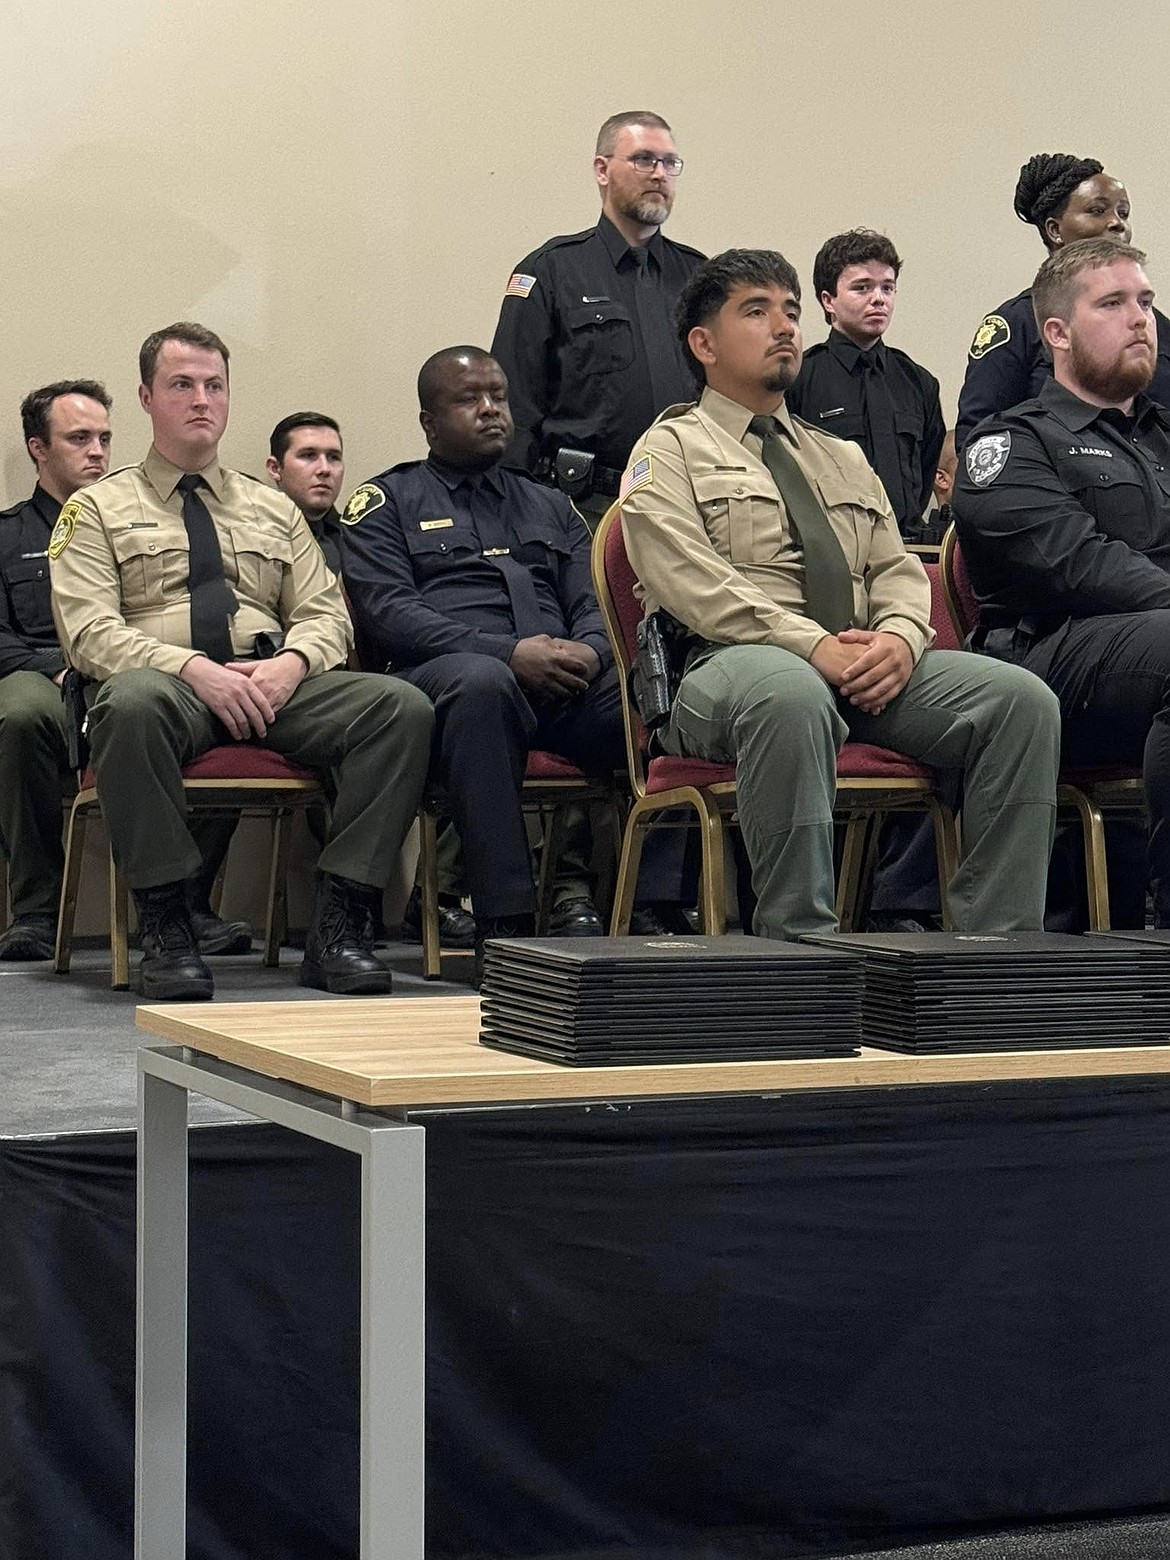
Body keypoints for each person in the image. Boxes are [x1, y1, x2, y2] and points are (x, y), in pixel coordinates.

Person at [619, 249, 1060, 942]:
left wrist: (900, 641)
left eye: (791, 312)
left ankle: (994, 948)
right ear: (703, 344)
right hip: (720, 666)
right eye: (756, 312)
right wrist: (812, 646)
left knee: (1020, 702)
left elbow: (897, 569)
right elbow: (691, 583)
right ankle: (802, 946)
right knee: (789, 692)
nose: (784, 327)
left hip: (854, 666)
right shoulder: (667, 449)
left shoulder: (839, 455)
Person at [48, 322, 433, 1000]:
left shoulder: (272, 508)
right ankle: (168, 926)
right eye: (181, 385)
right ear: (146, 398)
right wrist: (192, 668)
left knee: (399, 707)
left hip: (270, 687)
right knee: (128, 702)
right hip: (169, 690)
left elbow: (326, 614)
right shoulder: (97, 508)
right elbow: (89, 633)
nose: (202, 400)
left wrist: (293, 663)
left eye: (214, 385)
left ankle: (339, 923)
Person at [342, 346, 649, 968]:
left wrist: (593, 651)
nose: (490, 410)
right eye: (469, 400)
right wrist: (507, 653)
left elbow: (593, 599)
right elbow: (390, 613)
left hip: (563, 684)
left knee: (656, 697)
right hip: (447, 684)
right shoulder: (387, 502)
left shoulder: (548, 503)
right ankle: (504, 925)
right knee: (483, 684)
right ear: (429, 422)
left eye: (499, 397)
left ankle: (658, 905)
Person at [953, 236, 1170, 925]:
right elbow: (1082, 563)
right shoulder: (1009, 443)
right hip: (1048, 662)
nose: (1140, 319)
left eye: (1146, 302)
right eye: (1112, 304)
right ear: (1057, 333)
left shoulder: (1163, 437)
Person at [490, 109, 704, 528]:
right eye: (643, 159)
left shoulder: (698, 277)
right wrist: (517, 513)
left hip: (688, 503)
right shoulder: (552, 271)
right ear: (602, 170)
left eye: (669, 163)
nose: (659, 174)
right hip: (585, 507)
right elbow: (515, 405)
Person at [0, 381, 112, 960]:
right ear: (38, 448)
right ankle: (36, 911)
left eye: (104, 439)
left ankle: (186, 907)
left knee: (208, 702)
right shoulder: (6, 535)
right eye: (79, 438)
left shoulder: (140, 529)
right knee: (21, 713)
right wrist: (57, 669)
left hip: (123, 672)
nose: (97, 451)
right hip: (42, 677)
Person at [956, 152, 1170, 448]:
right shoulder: (1017, 322)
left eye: (1123, 213)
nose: (1117, 223)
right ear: (1055, 230)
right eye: (1097, 210)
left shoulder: (1153, 323)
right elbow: (979, 438)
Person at [786, 229, 944, 536]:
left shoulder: (919, 382)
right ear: (828, 300)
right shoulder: (799, 378)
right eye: (862, 288)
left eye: (888, 288)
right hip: (832, 544)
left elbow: (924, 475)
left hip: (905, 545)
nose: (878, 299)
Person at [266, 412, 346, 572]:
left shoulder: (360, 540)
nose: (325, 469)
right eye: (308, 455)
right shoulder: (255, 536)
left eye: (333, 457)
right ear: (275, 468)